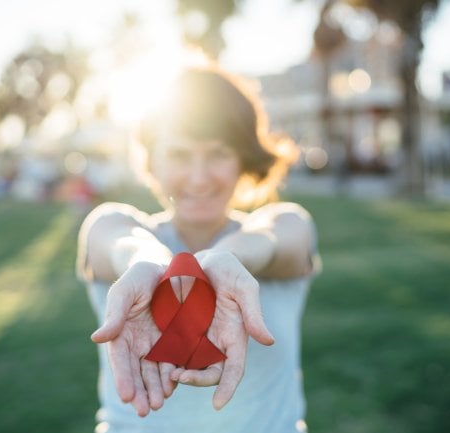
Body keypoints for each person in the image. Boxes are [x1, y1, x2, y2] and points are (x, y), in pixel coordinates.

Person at [77, 61, 321, 433]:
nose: (199, 177)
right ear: (152, 161)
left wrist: (227, 259)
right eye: (179, 154)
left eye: (218, 153)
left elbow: (275, 240)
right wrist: (151, 264)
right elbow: (118, 242)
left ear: (243, 159)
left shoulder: (285, 225)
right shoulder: (111, 224)